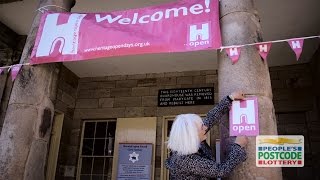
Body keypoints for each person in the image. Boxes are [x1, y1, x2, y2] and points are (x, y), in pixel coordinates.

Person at [165, 91, 248, 179]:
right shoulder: (186, 161)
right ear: (192, 135)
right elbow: (221, 171)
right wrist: (238, 146)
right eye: (201, 127)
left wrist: (230, 98)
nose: (205, 128)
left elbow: (210, 119)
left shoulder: (191, 142)